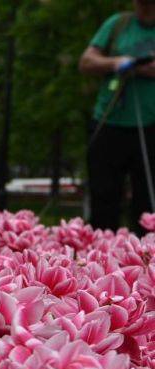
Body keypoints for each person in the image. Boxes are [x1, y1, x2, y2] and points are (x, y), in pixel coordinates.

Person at [80, 1, 155, 233]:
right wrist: (116, 62)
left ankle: (147, 258)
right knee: (103, 199)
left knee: (148, 205)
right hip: (110, 123)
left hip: (151, 126)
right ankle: (99, 259)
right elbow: (86, 62)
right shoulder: (118, 24)